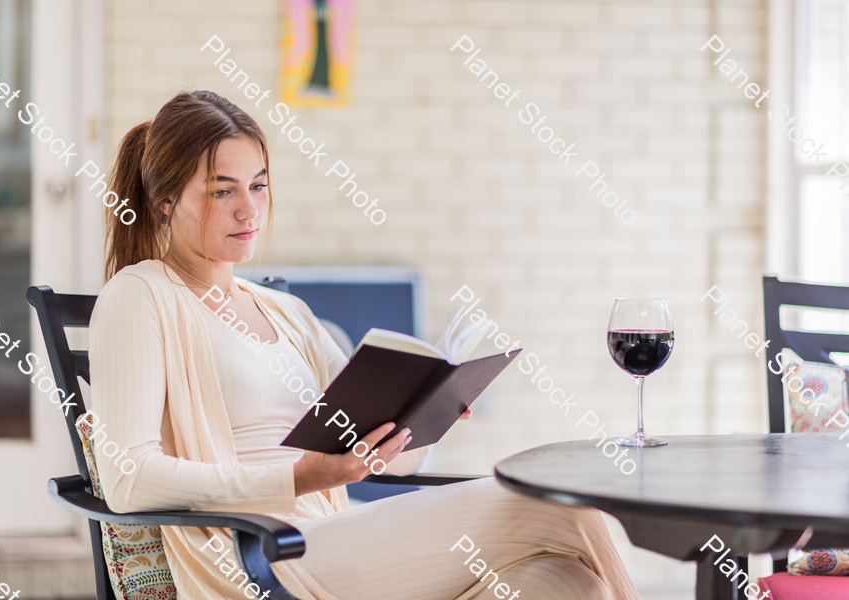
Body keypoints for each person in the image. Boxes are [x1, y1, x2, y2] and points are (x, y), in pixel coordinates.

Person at [90, 90, 640, 600]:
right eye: (221, 190)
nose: (248, 210)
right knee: (561, 510)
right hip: (261, 557)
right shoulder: (140, 295)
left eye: (257, 185)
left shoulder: (287, 311)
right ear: (164, 202)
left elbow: (387, 463)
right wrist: (298, 478)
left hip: (340, 533)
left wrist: (429, 413)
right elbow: (126, 478)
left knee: (565, 582)